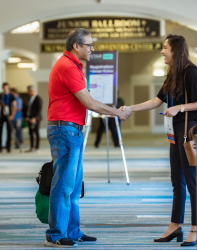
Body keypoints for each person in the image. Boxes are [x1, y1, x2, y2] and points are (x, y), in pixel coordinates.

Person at [45, 28, 131, 248]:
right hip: (65, 131)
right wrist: (118, 112)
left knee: (73, 187)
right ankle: (55, 235)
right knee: (63, 186)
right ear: (77, 46)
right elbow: (90, 103)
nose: (92, 49)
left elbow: (88, 101)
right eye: (89, 45)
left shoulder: (73, 66)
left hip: (72, 129)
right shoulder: (67, 67)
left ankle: (72, 231)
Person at [121, 34, 197, 247]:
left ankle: (196, 228)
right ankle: (175, 225)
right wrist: (128, 109)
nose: (162, 51)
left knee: (192, 182)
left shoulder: (191, 72)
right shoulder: (172, 74)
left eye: (165, 48)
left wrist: (179, 107)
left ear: (176, 51)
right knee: (176, 182)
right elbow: (156, 101)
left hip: (191, 133)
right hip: (176, 133)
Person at [0, 82, 16, 153]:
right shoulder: (1, 95)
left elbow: (14, 106)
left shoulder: (12, 96)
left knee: (9, 131)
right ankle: (0, 147)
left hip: (9, 115)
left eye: (6, 87)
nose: (5, 89)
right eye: (4, 87)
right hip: (2, 115)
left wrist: (12, 115)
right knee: (0, 131)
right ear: (2, 88)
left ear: (8, 88)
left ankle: (8, 147)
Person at [25, 86, 42, 152]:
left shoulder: (38, 98)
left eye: (28, 91)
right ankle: (32, 147)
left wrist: (35, 117)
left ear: (32, 91)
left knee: (36, 132)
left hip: (36, 119)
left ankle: (37, 147)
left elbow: (39, 109)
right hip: (30, 118)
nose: (28, 92)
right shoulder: (30, 98)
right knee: (31, 133)